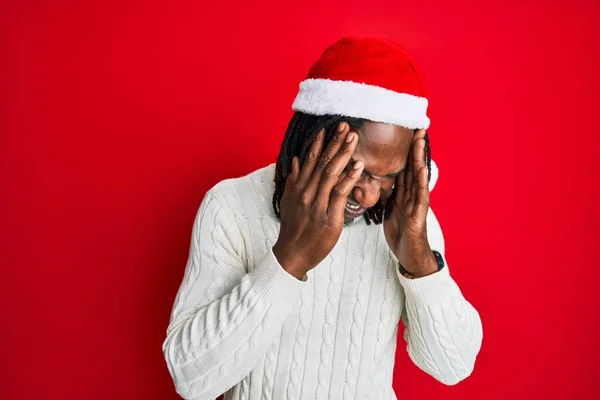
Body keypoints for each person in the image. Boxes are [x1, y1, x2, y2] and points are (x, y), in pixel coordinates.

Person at [163, 36, 483, 400]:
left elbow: (452, 366)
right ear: (311, 140)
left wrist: (419, 261)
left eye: (388, 176)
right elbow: (190, 380)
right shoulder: (230, 207)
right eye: (354, 169)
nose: (369, 195)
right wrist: (290, 259)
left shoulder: (404, 219)